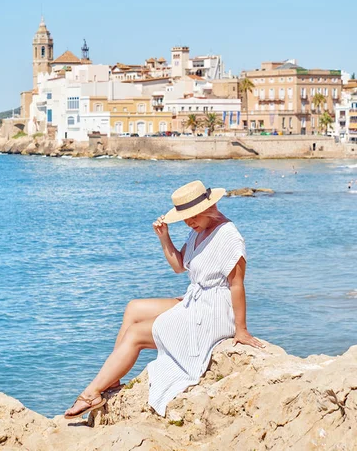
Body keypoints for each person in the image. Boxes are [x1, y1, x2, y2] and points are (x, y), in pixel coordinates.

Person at [64, 180, 263, 420]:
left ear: (209, 208)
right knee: (134, 308)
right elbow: (180, 266)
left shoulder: (228, 235)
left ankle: (92, 393)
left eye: (192, 216)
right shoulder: (199, 230)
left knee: (136, 333)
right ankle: (112, 378)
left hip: (215, 311)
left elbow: (236, 284)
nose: (188, 222)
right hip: (196, 299)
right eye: (185, 218)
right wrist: (164, 237)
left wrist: (241, 330)